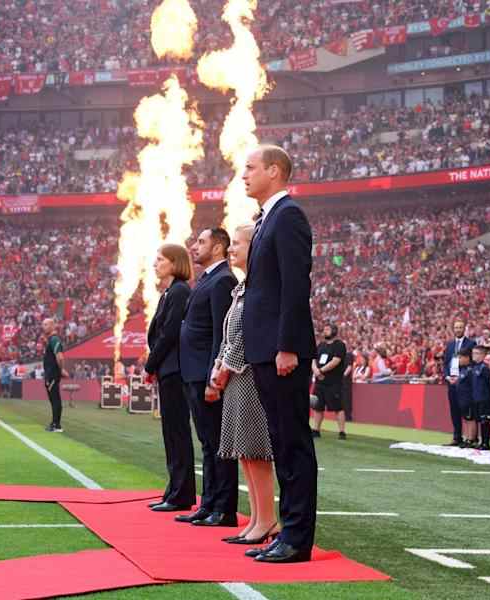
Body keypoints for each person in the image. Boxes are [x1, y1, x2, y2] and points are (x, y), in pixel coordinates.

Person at [241, 144, 317, 564]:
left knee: (292, 443)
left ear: (274, 170)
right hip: (265, 347)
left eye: (250, 168)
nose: (243, 175)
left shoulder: (287, 216)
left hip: (280, 349)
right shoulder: (267, 218)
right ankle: (287, 531)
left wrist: (287, 345)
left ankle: (297, 538)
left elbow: (294, 285)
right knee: (281, 442)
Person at [210, 224, 279, 545]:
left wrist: (225, 366)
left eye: (237, 243)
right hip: (237, 376)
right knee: (245, 453)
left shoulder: (258, 286)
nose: (231, 249)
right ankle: (257, 518)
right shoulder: (242, 287)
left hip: (250, 375)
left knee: (256, 450)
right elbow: (229, 335)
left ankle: (267, 520)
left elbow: (246, 333)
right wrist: (219, 364)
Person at [176, 228, 238, 528]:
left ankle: (224, 509)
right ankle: (209, 503)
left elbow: (221, 332)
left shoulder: (223, 279)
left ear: (218, 247)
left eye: (201, 242)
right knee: (207, 442)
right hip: (194, 371)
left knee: (217, 443)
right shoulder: (206, 279)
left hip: (206, 372)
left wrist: (217, 373)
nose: (194, 246)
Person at [144, 243, 196, 512]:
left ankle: (181, 493)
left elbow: (169, 333)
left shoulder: (178, 292)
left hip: (173, 369)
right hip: (167, 369)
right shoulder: (169, 293)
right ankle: (174, 490)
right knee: (171, 432)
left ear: (175, 263)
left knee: (177, 432)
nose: (156, 263)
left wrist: (149, 365)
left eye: (160, 259)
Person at [311, 324, 348, 440]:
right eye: (324, 329)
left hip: (333, 382)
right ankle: (316, 430)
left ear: (334, 331)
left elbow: (336, 361)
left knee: (338, 407)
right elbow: (313, 359)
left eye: (327, 329)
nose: (324, 331)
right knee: (318, 407)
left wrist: (321, 370)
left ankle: (342, 432)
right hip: (319, 382)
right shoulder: (320, 345)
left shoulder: (339, 345)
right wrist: (316, 370)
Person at [443, 321, 476, 446]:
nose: (458, 329)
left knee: (466, 410)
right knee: (454, 410)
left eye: (460, 327)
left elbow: (472, 362)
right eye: (456, 327)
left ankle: (471, 438)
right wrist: (447, 376)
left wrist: (461, 377)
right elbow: (446, 363)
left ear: (464, 329)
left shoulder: (471, 343)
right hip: (451, 381)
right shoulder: (450, 344)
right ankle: (457, 436)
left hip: (463, 381)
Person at [42, 318, 68, 433]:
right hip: (50, 373)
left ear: (53, 326)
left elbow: (60, 356)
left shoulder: (54, 339)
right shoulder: (51, 340)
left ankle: (56, 424)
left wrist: (61, 370)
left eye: (46, 324)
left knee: (55, 398)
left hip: (52, 374)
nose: (44, 326)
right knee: (53, 399)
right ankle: (54, 423)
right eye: (43, 324)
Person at [471, 345, 490, 450]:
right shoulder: (474, 367)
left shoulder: (484, 368)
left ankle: (486, 442)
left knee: (485, 421)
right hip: (476, 397)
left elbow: (489, 384)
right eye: (473, 353)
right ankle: (481, 441)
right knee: (479, 420)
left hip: (484, 398)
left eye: (476, 353)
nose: (473, 356)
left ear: (482, 355)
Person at [454, 347, 476, 447]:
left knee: (471, 419)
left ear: (467, 357)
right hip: (462, 398)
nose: (459, 360)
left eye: (461, 357)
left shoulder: (471, 370)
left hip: (469, 399)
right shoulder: (462, 369)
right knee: (466, 419)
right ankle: (467, 438)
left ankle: (472, 439)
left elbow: (473, 385)